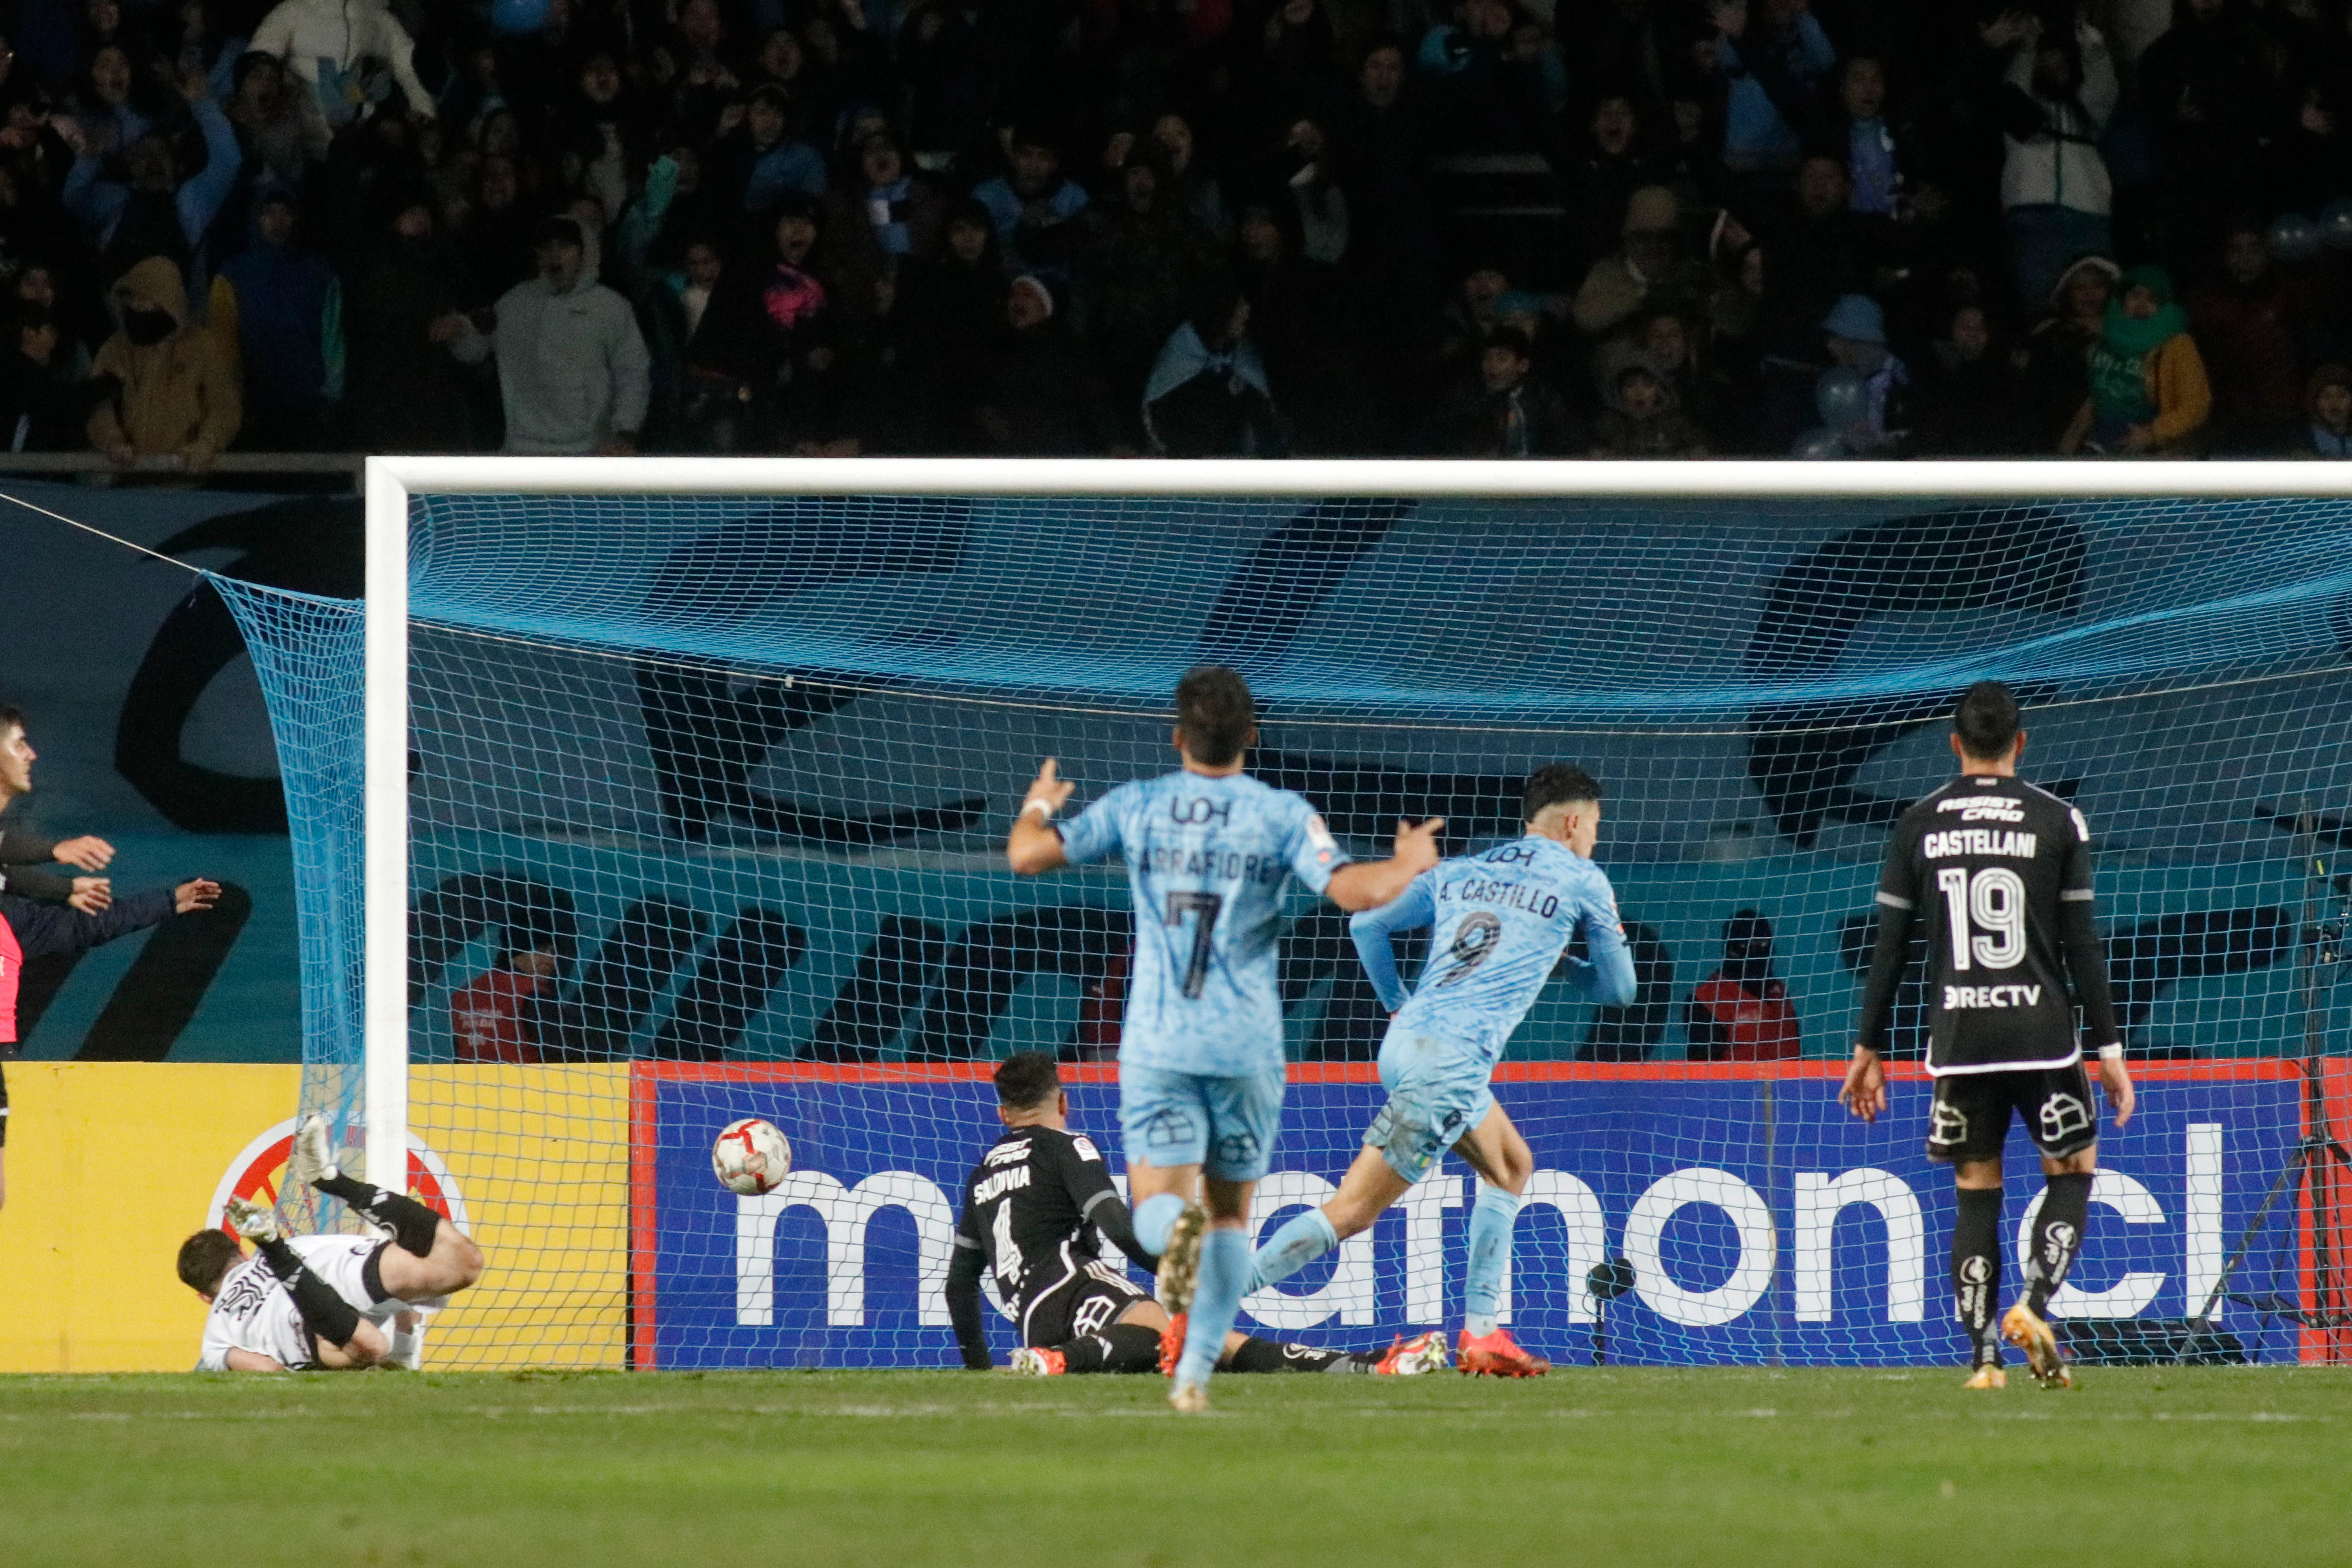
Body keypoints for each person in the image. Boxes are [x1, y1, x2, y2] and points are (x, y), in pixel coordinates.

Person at [1003, 664, 1441, 1412]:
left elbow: (1027, 855)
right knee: (1234, 1216)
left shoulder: (1138, 805)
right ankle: (1194, 1379)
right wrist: (1408, 862)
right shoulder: (1280, 814)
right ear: (1252, 736)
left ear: (1177, 736)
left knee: (1158, 1207)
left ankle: (1175, 1239)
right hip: (1245, 1048)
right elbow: (1352, 893)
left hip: (1160, 1045)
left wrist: (1040, 804)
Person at [1242, 763, 1636, 1378]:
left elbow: (1366, 923)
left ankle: (1481, 1335)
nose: (1595, 839)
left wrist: (1397, 1001)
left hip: (1408, 1043)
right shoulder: (1583, 879)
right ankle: (1201, 1307)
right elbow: (1619, 990)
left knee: (1511, 1165)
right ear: (1577, 821)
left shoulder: (1462, 870)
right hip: (1449, 1064)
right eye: (1596, 827)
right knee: (1352, 1212)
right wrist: (1568, 965)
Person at [1841, 680, 2134, 1390]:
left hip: (1962, 1034)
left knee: (1977, 1186)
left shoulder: (1918, 822)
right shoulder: (2057, 819)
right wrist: (2111, 1050)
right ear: (2020, 743)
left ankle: (1983, 1360)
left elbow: (1890, 947)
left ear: (1955, 744)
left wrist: (1868, 1049)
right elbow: (2081, 944)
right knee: (2071, 1168)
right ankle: (2033, 1307)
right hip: (2043, 1033)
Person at [945, 1053, 1450, 1377]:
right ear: (1063, 1100)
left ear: (1002, 1113)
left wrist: (977, 1370)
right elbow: (1117, 1223)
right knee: (1175, 1336)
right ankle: (1365, 1365)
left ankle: (1363, 1367)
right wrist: (1172, 1274)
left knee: (1198, 1345)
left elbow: (959, 1284)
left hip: (1033, 1318)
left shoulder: (981, 1174)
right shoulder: (1068, 1145)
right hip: (1078, 1283)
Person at [179, 1112, 485, 1371]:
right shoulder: (306, 1244)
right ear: (243, 1254)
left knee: (370, 1348)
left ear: (206, 1298)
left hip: (304, 1323)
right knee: (463, 1265)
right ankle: (331, 1181)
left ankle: (274, 1246)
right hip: (334, 1264)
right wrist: (405, 1354)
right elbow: (407, 1298)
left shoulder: (216, 1335)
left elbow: (269, 1370)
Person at [445, 216, 650, 456]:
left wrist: (626, 433)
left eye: (564, 247)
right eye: (547, 248)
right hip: (522, 453)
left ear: (585, 252)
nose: (555, 255)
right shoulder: (514, 303)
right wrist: (459, 332)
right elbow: (477, 348)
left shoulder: (612, 308)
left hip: (592, 455)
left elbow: (633, 373)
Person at [85, 255, 240, 473]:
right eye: (133, 302)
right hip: (129, 481)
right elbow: (98, 404)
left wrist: (207, 444)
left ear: (168, 303)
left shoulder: (204, 347)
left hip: (189, 485)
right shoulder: (116, 349)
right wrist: (113, 442)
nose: (138, 309)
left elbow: (223, 405)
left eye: (146, 302)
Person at [2060, 265, 2210, 456]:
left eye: (2152, 299)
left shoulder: (2177, 344)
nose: (2142, 304)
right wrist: (2072, 439)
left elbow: (2197, 404)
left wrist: (2153, 434)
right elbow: (2101, 393)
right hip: (2102, 441)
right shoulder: (2108, 337)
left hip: (2156, 447)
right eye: (2135, 296)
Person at [1684, 909, 1798, 1059]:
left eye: (1763, 943)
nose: (1758, 953)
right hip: (1740, 1082)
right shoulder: (1707, 999)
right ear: (1732, 949)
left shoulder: (1778, 991)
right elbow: (1703, 1069)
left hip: (1793, 1081)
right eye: (1748, 945)